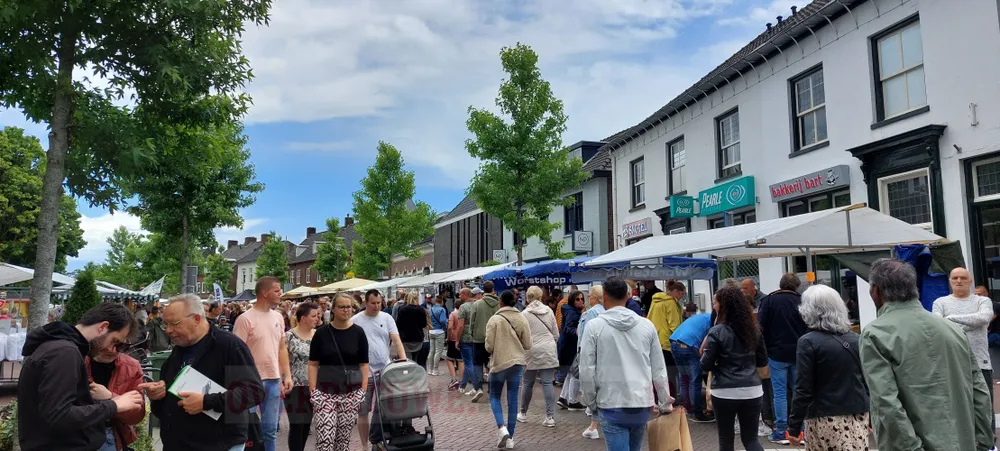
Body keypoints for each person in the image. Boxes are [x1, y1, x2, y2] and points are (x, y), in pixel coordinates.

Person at [862, 258, 993, 451]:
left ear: (875, 290)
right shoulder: (952, 329)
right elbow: (980, 390)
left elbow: (886, 403)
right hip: (964, 442)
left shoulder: (875, 334)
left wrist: (913, 448)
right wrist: (983, 441)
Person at [140, 294, 265, 451]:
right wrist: (158, 396)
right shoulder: (178, 351)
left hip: (217, 444)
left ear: (196, 319)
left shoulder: (228, 346)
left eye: (174, 324)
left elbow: (253, 392)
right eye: (166, 325)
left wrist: (206, 402)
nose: (169, 330)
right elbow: (165, 407)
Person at [18, 303, 145, 451]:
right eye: (114, 341)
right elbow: (59, 415)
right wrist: (114, 405)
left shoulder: (61, 348)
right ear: (103, 327)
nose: (111, 349)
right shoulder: (64, 352)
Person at [580, 277, 672, 451]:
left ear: (604, 296)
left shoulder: (594, 326)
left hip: (610, 400)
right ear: (628, 295)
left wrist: (590, 399)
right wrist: (665, 401)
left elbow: (586, 368)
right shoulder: (647, 326)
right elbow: (658, 368)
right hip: (641, 402)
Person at [784, 284, 870, 449]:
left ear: (808, 311)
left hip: (824, 416)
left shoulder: (808, 342)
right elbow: (866, 381)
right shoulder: (857, 339)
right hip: (858, 414)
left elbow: (804, 389)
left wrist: (794, 426)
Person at [701, 285, 768, 451]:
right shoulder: (754, 330)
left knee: (726, 440)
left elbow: (705, 365)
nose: (714, 306)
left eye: (715, 303)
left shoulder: (717, 331)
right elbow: (762, 361)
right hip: (752, 389)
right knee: (751, 439)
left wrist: (715, 361)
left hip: (724, 391)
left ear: (723, 305)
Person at [933, 267, 997, 437]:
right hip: (951, 364)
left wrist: (950, 320)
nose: (959, 281)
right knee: (955, 407)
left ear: (970, 281)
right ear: (950, 281)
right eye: (955, 278)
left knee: (985, 407)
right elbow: (938, 327)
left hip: (981, 363)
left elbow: (983, 317)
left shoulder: (982, 301)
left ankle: (988, 443)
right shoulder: (940, 302)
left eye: (963, 277)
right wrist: (971, 323)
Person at [233, 276, 293, 451]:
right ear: (265, 293)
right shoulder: (245, 319)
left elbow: (282, 348)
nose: (281, 293)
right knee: (247, 428)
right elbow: (237, 354)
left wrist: (286, 376)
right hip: (250, 382)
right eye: (277, 290)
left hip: (273, 379)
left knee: (270, 430)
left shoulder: (278, 317)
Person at [309, 293, 370, 451]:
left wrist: (362, 390)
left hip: (350, 393)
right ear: (333, 309)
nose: (346, 310)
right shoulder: (321, 333)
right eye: (341, 307)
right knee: (325, 440)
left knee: (342, 442)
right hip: (324, 393)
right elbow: (313, 363)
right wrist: (313, 390)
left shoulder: (358, 333)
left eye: (348, 307)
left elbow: (364, 364)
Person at [352, 289, 406, 450]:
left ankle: (377, 439)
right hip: (364, 373)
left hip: (385, 369)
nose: (376, 306)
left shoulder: (387, 318)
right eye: (373, 303)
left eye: (379, 303)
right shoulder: (355, 320)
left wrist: (403, 360)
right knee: (362, 411)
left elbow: (396, 340)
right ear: (365, 303)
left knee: (385, 407)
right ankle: (364, 446)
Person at [757, 273, 808, 444]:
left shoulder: (769, 301)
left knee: (779, 393)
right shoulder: (803, 301)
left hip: (776, 353)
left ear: (781, 284)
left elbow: (760, 327)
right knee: (798, 392)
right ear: (797, 286)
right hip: (799, 353)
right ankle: (801, 430)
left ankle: (781, 431)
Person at [86, 316, 147, 451]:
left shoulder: (131, 367)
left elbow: (136, 416)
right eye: (110, 341)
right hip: (76, 434)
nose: (112, 350)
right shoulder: (76, 359)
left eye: (121, 345)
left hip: (108, 435)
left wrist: (111, 397)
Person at [485, 290, 533, 449]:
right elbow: (528, 344)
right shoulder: (521, 318)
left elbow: (489, 346)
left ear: (501, 302)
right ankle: (510, 438)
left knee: (494, 396)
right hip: (517, 363)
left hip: (499, 363)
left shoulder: (494, 319)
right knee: (513, 399)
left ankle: (502, 428)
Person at [518, 285, 559, 428]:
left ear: (528, 298)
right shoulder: (548, 311)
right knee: (547, 383)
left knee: (527, 383)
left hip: (531, 350)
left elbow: (521, 335)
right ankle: (550, 417)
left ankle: (523, 413)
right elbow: (556, 333)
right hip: (548, 348)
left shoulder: (524, 314)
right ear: (541, 297)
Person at [282, 302, 321, 451]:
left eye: (318, 315)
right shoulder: (289, 336)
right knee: (297, 425)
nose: (317, 318)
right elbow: (282, 360)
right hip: (294, 386)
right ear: (303, 318)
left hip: (313, 385)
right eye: (313, 316)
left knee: (306, 425)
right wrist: (282, 379)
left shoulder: (318, 335)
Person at [669, 308, 714, 422]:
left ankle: (688, 409)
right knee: (695, 380)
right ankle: (697, 414)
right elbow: (709, 341)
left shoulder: (702, 317)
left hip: (674, 343)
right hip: (689, 344)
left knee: (684, 378)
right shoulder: (713, 321)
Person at [647, 280, 686, 404]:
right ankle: (671, 400)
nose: (682, 297)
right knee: (671, 373)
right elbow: (675, 326)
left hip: (655, 341)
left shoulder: (655, 301)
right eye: (682, 294)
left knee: (657, 373)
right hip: (668, 343)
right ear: (676, 292)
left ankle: (657, 399)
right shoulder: (671, 303)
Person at [577, 286, 605, 439]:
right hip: (603, 355)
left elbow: (585, 338)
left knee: (593, 389)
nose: (587, 298)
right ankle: (594, 425)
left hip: (591, 356)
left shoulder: (591, 313)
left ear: (594, 298)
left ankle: (594, 426)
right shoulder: (605, 312)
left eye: (589, 296)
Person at [470, 280, 501, 402]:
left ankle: (479, 388)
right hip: (493, 339)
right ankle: (492, 389)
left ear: (483, 290)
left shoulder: (477, 304)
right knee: (492, 364)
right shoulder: (498, 304)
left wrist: (472, 333)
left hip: (478, 339)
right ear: (493, 290)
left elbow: (472, 321)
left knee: (477, 364)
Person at [557, 290, 585, 411]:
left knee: (570, 373)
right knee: (575, 373)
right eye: (577, 299)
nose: (581, 301)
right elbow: (568, 328)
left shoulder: (572, 311)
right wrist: (578, 332)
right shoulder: (572, 312)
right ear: (572, 300)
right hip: (570, 347)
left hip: (567, 346)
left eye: (582, 299)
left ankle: (563, 398)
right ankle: (572, 401)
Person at [456, 288, 478, 395]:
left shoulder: (463, 307)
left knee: (468, 363)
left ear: (465, 294)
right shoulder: (477, 304)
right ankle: (462, 386)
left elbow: (460, 326)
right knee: (470, 362)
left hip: (465, 338)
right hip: (476, 337)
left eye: (460, 294)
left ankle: (477, 387)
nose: (459, 296)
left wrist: (457, 340)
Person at [396, 291, 428, 361]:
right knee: (415, 359)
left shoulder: (402, 309)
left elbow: (398, 324)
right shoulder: (421, 309)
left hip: (405, 338)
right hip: (418, 338)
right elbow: (424, 324)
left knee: (407, 360)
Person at [446, 293, 466, 391]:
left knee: (449, 359)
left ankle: (454, 379)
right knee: (460, 360)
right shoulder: (465, 314)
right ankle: (461, 380)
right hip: (463, 338)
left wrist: (448, 337)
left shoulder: (453, 314)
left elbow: (450, 327)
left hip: (453, 338)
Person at [428, 294, 449, 376]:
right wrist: (445, 327)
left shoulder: (430, 309)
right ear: (442, 301)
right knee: (438, 351)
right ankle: (435, 370)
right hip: (439, 331)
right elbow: (443, 320)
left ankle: (430, 369)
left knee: (431, 351)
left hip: (431, 331)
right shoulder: (442, 309)